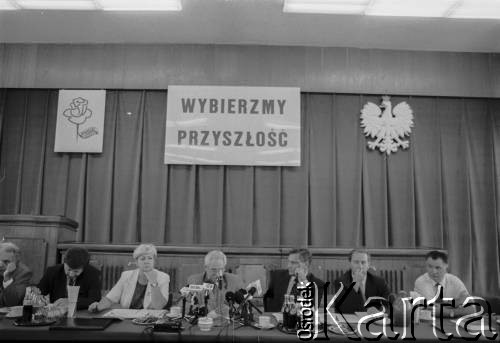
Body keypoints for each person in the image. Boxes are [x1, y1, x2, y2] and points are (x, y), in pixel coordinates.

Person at [88, 244, 169, 312]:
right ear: (137, 262)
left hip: (149, 320)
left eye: (150, 258)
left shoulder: (163, 277)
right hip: (127, 319)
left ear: (154, 261)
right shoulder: (126, 275)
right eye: (142, 259)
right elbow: (110, 298)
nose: (146, 261)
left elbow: (159, 306)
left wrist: (154, 283)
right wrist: (97, 307)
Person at [414, 250, 475, 317]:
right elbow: (432, 310)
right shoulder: (421, 282)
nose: (433, 271)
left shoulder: (454, 281)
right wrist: (456, 303)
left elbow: (472, 309)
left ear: (446, 266)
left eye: (438, 268)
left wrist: (450, 312)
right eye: (430, 267)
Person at [186, 250, 244, 315]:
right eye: (213, 269)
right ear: (206, 267)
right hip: (202, 322)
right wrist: (201, 309)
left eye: (220, 269)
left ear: (224, 268)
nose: (217, 273)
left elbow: (243, 305)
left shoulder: (235, 281)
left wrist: (226, 310)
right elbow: (184, 306)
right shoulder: (194, 280)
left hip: (226, 322)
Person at [334, 249, 390, 313]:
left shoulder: (380, 282)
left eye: (363, 262)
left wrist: (379, 312)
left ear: (368, 264)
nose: (360, 266)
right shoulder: (340, 282)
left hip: (374, 321)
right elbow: (342, 309)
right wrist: (355, 284)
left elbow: (387, 306)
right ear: (350, 264)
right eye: (356, 262)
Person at [0, 241, 33, 307]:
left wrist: (7, 280)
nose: (0, 265)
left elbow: (13, 302)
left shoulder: (24, 273)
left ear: (17, 260)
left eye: (6, 261)